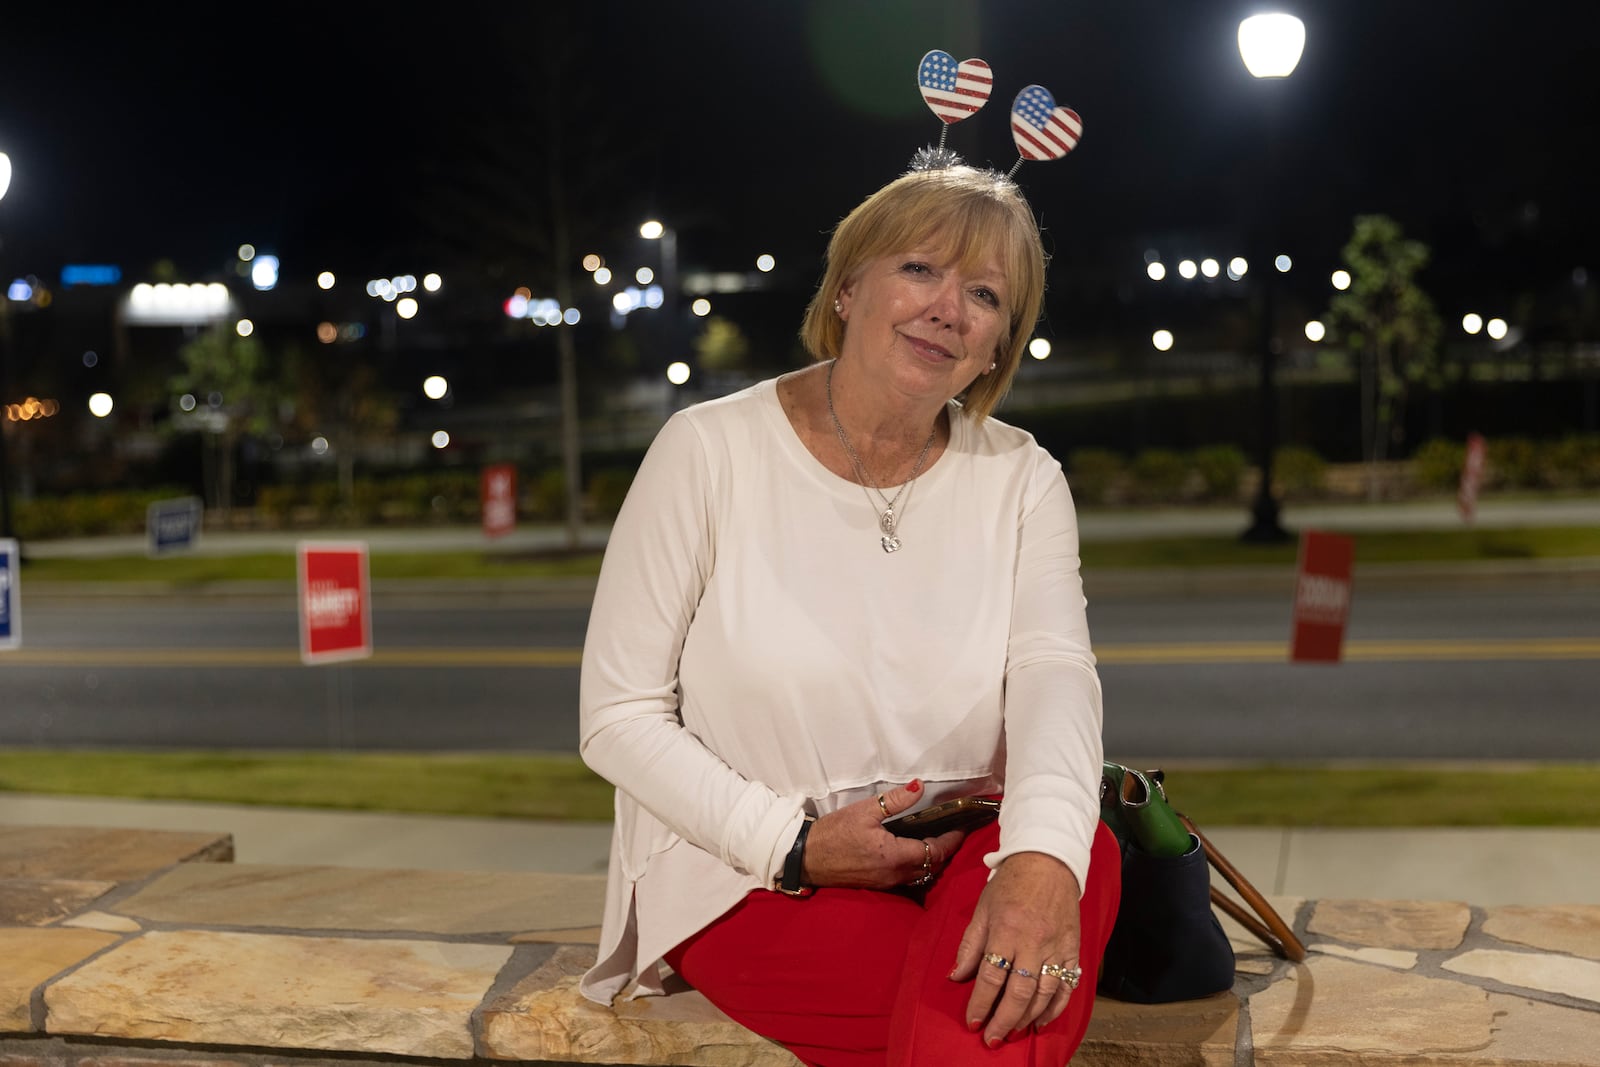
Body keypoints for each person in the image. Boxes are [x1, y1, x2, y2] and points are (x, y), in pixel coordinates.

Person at [578, 162, 1121, 1066]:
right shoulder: (707, 450)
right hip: (749, 874)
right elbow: (618, 716)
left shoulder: (1024, 479)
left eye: (984, 293)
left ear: (997, 346)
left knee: (1076, 849)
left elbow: (1055, 676)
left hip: (970, 850)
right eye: (920, 270)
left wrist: (1036, 863)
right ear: (846, 288)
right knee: (979, 1022)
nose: (948, 307)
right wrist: (793, 843)